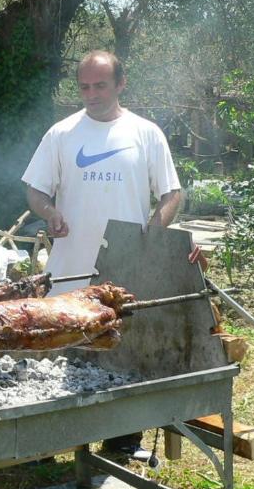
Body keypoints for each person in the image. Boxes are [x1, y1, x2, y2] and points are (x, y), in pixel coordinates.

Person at [22, 50, 182, 457]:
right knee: (64, 356)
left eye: (100, 85)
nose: (91, 94)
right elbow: (35, 190)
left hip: (123, 269)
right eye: (84, 86)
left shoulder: (146, 133)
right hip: (69, 270)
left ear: (120, 84)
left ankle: (123, 443)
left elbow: (171, 193)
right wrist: (50, 211)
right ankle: (61, 443)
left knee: (123, 353)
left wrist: (153, 230)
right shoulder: (61, 134)